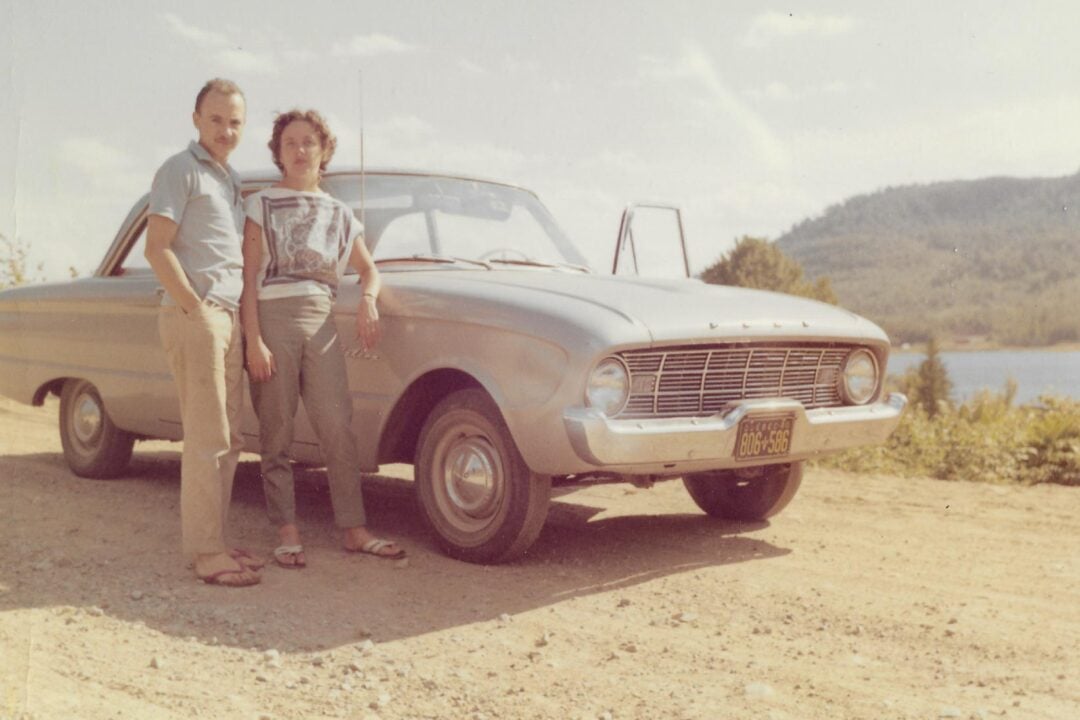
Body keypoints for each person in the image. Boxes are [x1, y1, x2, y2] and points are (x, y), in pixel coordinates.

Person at [241, 109, 405, 568]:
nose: (299, 151)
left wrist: (369, 300)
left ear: (323, 150)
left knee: (337, 426)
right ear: (278, 152)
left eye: (308, 142)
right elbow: (249, 278)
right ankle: (286, 529)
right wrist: (253, 340)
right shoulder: (261, 203)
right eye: (289, 143)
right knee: (276, 428)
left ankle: (354, 529)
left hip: (321, 321)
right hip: (272, 318)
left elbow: (369, 270)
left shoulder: (339, 212)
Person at [145, 78, 264, 587]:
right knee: (207, 437)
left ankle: (214, 538)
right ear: (196, 118)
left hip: (228, 316)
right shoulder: (180, 169)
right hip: (199, 316)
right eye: (216, 119)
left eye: (235, 122)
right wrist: (195, 309)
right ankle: (205, 552)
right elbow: (157, 248)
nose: (226, 130)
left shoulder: (229, 178)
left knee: (230, 437)